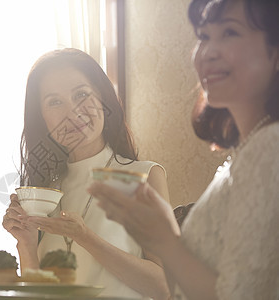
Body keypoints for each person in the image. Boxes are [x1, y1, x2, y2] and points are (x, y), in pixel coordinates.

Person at [88, 0, 279, 299]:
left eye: (230, 32)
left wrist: (165, 240)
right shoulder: (248, 149)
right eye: (204, 36)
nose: (208, 52)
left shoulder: (270, 146)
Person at [2, 48, 171, 299]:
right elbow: (36, 294)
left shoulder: (144, 176)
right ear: (42, 117)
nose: (72, 112)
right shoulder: (44, 192)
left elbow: (164, 286)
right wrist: (25, 244)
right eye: (55, 102)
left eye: (81, 94)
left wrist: (85, 237)